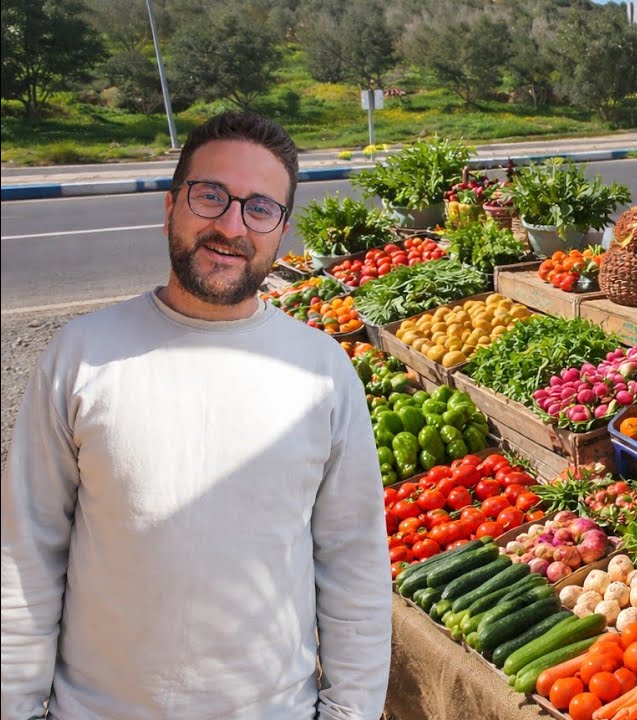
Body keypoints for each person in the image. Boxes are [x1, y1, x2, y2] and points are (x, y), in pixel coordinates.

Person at [1, 111, 391, 719]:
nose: (231, 224)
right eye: (211, 195)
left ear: (281, 231)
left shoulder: (324, 371)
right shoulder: (81, 355)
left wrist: (350, 713)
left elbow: (354, 563)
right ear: (171, 206)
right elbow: (27, 554)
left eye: (260, 208)